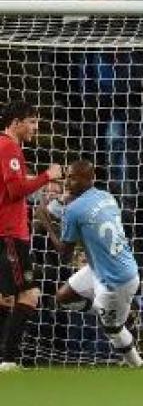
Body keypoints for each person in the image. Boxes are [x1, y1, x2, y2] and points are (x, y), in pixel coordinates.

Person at [35, 160, 143, 367]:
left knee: (113, 329)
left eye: (73, 177)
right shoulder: (107, 196)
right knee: (63, 297)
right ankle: (107, 309)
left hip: (116, 280)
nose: (68, 181)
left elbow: (64, 256)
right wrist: (60, 205)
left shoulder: (74, 210)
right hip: (105, 267)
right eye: (67, 176)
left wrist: (47, 222)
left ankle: (138, 366)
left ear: (89, 179)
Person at [0, 101, 63, 371]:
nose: (36, 127)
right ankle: (8, 359)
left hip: (8, 232)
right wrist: (47, 176)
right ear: (16, 123)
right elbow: (15, 190)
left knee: (5, 298)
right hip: (11, 234)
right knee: (29, 295)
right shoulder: (8, 147)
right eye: (32, 121)